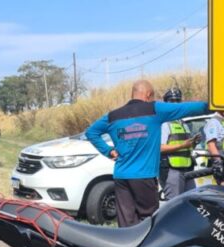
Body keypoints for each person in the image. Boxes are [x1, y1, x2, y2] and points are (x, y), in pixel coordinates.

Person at [86, 80, 208, 227]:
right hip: (144, 177)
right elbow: (187, 108)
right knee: (148, 222)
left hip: (121, 177)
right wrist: (213, 106)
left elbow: (91, 132)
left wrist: (108, 151)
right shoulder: (154, 109)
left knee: (126, 223)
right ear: (148, 95)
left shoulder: (113, 116)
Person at [158, 87, 200, 200]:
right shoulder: (164, 123)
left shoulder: (183, 123)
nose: (175, 104)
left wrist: (193, 143)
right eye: (172, 101)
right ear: (166, 103)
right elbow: (159, 148)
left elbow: (186, 146)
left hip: (187, 169)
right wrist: (182, 145)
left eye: (178, 101)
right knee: (173, 205)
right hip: (172, 171)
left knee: (191, 202)